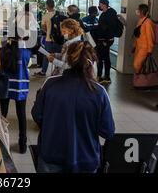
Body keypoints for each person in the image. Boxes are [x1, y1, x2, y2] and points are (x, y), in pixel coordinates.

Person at [32, 41, 115, 173]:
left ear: (68, 60)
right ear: (92, 63)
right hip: (86, 158)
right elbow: (108, 131)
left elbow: (37, 115)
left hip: (51, 154)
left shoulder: (50, 84)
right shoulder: (99, 92)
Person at [0, 4, 37, 154]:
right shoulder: (26, 51)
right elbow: (31, 62)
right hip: (21, 86)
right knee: (21, 114)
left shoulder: (4, 47)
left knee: (3, 113)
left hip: (5, 84)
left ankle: (1, 140)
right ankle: (22, 144)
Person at [34, 0, 64, 77]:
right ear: (54, 5)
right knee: (59, 55)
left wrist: (49, 32)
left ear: (47, 6)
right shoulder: (59, 14)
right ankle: (58, 71)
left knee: (47, 55)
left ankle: (43, 72)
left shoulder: (45, 16)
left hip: (49, 39)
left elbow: (43, 28)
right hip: (59, 39)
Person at [95, 0, 118, 85]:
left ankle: (104, 76)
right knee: (103, 58)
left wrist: (106, 40)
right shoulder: (106, 13)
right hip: (103, 39)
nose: (99, 6)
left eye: (100, 4)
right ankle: (102, 76)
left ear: (104, 4)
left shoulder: (110, 13)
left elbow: (109, 28)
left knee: (102, 58)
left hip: (105, 40)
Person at [132, 4, 155, 73]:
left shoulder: (148, 22)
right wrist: (134, 46)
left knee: (137, 64)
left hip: (145, 48)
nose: (137, 11)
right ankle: (139, 81)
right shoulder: (140, 20)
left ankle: (140, 80)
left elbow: (150, 37)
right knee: (138, 65)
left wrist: (150, 50)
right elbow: (137, 36)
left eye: (138, 9)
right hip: (138, 47)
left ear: (142, 11)